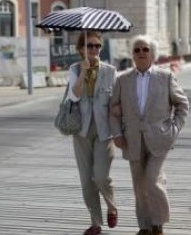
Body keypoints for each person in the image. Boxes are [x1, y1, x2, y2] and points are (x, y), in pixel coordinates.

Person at [110, 35, 189, 235]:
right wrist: (117, 133)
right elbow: (112, 110)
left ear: (152, 53)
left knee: (151, 179)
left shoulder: (166, 77)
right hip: (132, 140)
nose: (141, 53)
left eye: (145, 49)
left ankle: (159, 222)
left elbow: (182, 105)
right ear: (132, 55)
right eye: (137, 50)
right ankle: (145, 226)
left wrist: (174, 129)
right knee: (139, 184)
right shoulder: (122, 80)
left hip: (160, 138)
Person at [67, 31, 118, 235]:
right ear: (81, 49)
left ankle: (112, 207)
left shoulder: (111, 71)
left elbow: (116, 101)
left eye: (97, 46)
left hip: (104, 130)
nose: (94, 50)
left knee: (100, 177)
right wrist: (82, 73)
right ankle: (96, 223)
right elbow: (74, 96)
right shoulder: (73, 69)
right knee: (87, 180)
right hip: (81, 130)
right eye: (90, 46)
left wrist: (120, 129)